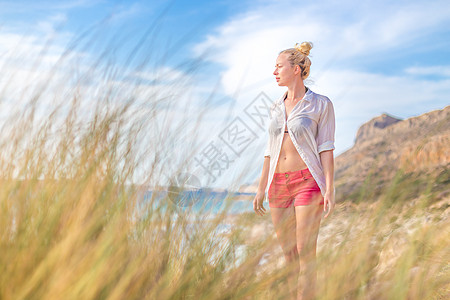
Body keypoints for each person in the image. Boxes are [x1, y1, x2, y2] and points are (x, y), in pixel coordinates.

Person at [253, 41, 336, 300]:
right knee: (289, 253)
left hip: (307, 182)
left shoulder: (320, 104)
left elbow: (326, 148)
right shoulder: (275, 106)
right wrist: (260, 188)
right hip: (277, 184)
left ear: (296, 70)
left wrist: (330, 188)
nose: (274, 72)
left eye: (279, 66)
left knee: (305, 250)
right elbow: (270, 149)